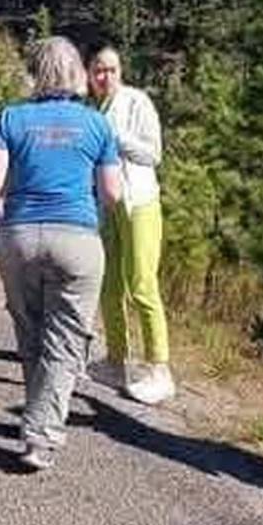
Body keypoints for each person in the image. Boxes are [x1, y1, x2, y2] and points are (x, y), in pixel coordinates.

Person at [0, 36, 121, 471]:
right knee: (65, 341)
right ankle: (40, 434)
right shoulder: (96, 123)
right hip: (76, 236)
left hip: (19, 236)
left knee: (31, 332)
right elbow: (113, 193)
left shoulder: (12, 117)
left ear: (35, 73)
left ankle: (38, 418)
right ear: (76, 73)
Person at [88, 46, 173, 406]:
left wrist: (115, 137)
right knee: (109, 285)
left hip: (139, 204)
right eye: (98, 71)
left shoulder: (137, 102)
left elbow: (153, 154)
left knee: (141, 283)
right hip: (109, 208)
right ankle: (115, 360)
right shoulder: (95, 110)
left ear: (120, 71)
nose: (104, 77)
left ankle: (159, 368)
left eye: (111, 70)